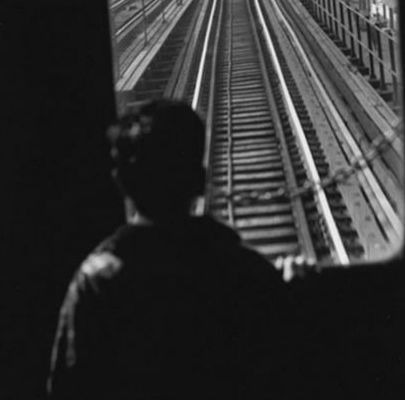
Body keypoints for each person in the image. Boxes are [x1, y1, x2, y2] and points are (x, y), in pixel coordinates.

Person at [47, 99, 296, 399]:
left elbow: (68, 386)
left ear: (121, 182)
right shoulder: (246, 271)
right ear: (200, 180)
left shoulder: (98, 281)